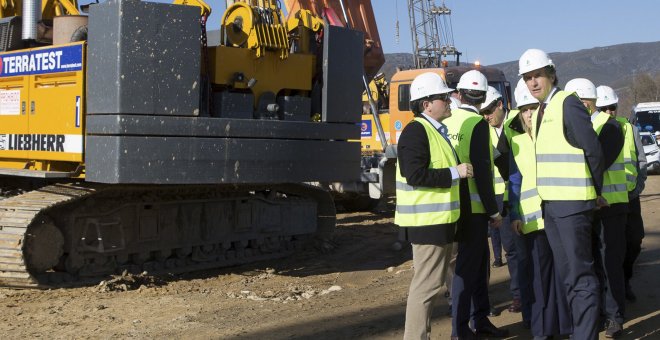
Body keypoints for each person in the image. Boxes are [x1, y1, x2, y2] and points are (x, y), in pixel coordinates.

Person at [519, 49, 605, 340]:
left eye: (537, 76)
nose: (533, 83)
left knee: (580, 278)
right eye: (527, 78)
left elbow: (592, 149)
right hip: (553, 208)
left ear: (551, 74)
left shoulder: (567, 103)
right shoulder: (543, 109)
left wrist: (597, 192)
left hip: (573, 205)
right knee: (568, 278)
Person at [394, 72, 473, 340]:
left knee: (430, 285)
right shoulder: (417, 131)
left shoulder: (433, 131)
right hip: (427, 224)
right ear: (426, 104)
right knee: (426, 287)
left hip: (440, 222)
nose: (450, 100)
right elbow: (414, 175)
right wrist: (456, 172)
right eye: (443, 97)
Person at [444, 70, 508, 339]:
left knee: (477, 266)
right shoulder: (478, 125)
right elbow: (483, 171)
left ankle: (479, 319)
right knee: (469, 269)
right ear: (482, 98)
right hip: (475, 209)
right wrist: (494, 211)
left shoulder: (446, 121)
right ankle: (461, 329)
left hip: (451, 206)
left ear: (458, 93)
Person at [506, 78, 572, 339]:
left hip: (559, 216)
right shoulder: (518, 143)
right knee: (540, 279)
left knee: (563, 274)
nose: (529, 114)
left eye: (533, 108)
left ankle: (566, 326)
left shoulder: (556, 136)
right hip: (534, 223)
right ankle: (542, 330)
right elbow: (514, 182)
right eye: (524, 110)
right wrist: (515, 215)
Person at [566, 78, 627, 338]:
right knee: (594, 264)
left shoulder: (610, 127)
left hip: (611, 206)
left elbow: (598, 161)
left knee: (610, 262)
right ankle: (601, 311)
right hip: (588, 205)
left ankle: (615, 316)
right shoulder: (583, 127)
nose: (580, 106)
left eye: (583, 102)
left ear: (592, 102)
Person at [481, 86, 531, 318]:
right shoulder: (487, 129)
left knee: (526, 249)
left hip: (521, 196)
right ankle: (519, 294)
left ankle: (528, 294)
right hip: (500, 199)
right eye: (483, 112)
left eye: (490, 110)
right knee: (511, 250)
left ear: (501, 104)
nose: (487, 115)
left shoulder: (516, 122)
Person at [596, 85, 647, 303]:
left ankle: (624, 278)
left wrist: (636, 188)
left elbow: (641, 163)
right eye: (605, 108)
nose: (610, 111)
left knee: (635, 241)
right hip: (609, 202)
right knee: (611, 249)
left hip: (630, 198)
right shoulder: (595, 129)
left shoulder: (629, 129)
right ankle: (615, 286)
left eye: (612, 107)